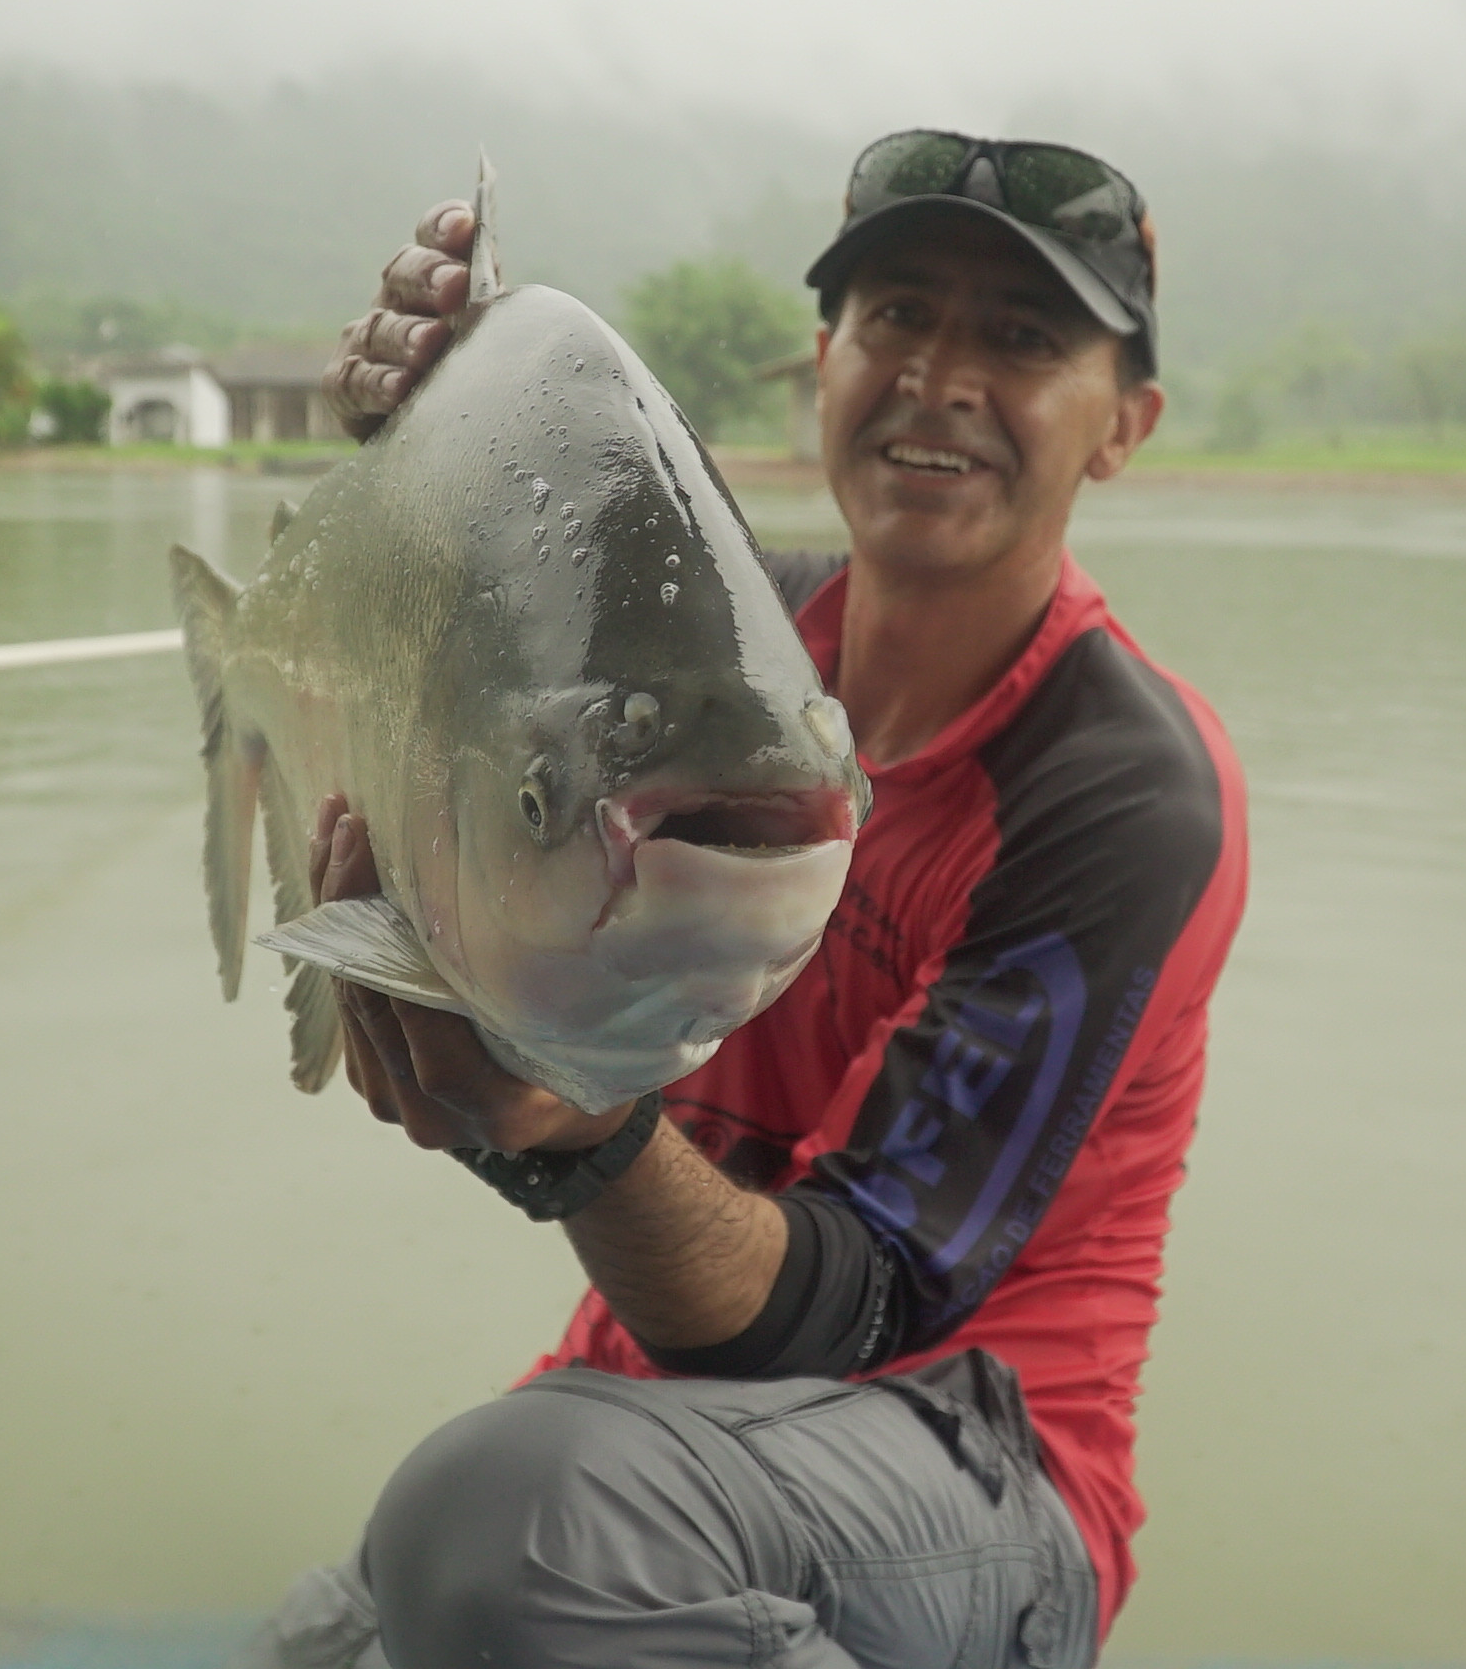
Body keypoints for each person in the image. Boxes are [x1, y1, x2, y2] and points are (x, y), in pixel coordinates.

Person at [245, 132, 1248, 1669]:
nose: (941, 378)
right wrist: (430, 430)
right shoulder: (713, 658)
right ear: (826, 359)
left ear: (1126, 424)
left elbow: (867, 1304)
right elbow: (509, 576)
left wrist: (565, 1132)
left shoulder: (1116, 788)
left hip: (976, 1468)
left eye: (1023, 338)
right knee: (327, 1636)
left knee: (507, 1518)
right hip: (660, 1411)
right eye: (897, 315)